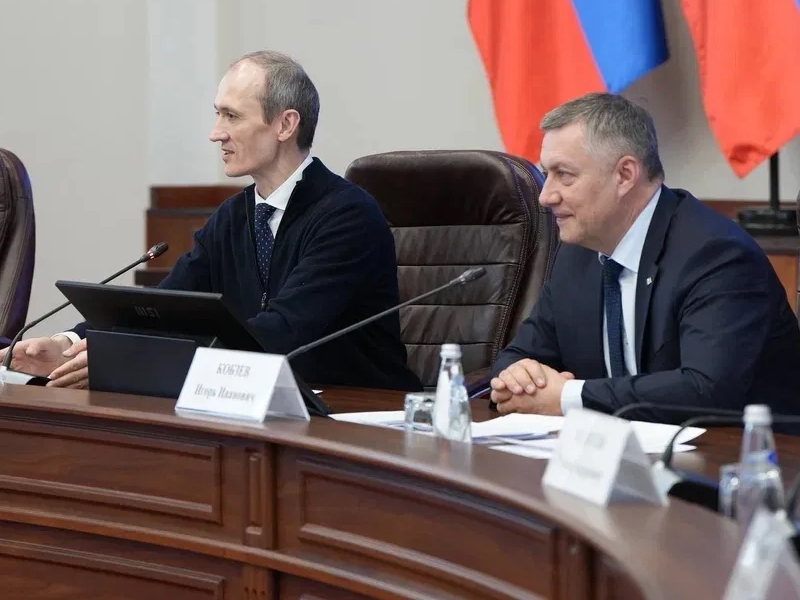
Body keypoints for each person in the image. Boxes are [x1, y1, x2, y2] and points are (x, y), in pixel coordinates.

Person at [1, 50, 422, 393]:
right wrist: (70, 344)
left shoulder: (347, 215)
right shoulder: (233, 216)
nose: (215, 133)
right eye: (218, 114)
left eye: (232, 116)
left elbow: (280, 332)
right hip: (263, 410)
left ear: (285, 124)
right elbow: (161, 308)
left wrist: (125, 359)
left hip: (359, 413)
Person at [490, 92, 800, 422]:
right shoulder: (577, 253)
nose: (545, 196)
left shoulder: (716, 255)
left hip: (742, 448)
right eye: (546, 174)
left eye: (564, 174)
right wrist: (519, 377)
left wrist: (567, 396)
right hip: (617, 445)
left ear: (625, 175)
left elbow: (706, 389)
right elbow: (518, 357)